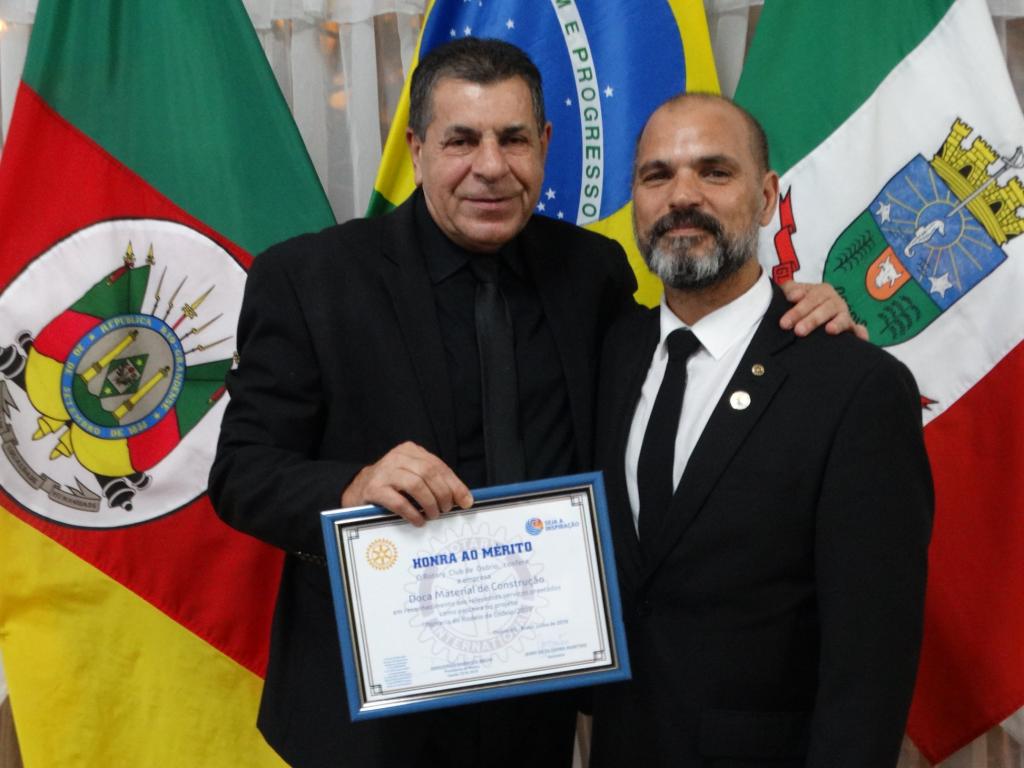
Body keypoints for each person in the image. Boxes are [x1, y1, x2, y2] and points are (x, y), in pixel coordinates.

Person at [210, 39, 859, 768]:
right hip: (369, 718)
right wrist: (351, 487)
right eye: (461, 140)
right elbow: (240, 473)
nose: (491, 166)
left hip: (540, 706)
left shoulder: (592, 273)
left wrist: (791, 316)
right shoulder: (309, 278)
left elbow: (684, 358)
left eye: (513, 139)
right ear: (418, 150)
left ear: (545, 145)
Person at [589, 93, 933, 767]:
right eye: (657, 175)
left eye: (714, 172)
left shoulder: (855, 386)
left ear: (768, 195)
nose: (682, 196)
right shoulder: (608, 352)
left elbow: (870, 667)